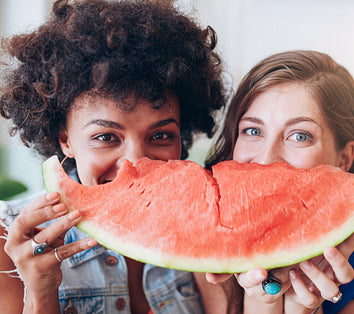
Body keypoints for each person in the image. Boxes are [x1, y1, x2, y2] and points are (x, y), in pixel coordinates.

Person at [0, 0, 228, 313]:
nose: (134, 165)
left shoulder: (203, 227)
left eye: (160, 136)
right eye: (106, 137)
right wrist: (40, 293)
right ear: (65, 140)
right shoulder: (8, 238)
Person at [203, 50, 354, 313]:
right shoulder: (207, 216)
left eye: (300, 136)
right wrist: (262, 303)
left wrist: (304, 310)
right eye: (253, 131)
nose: (265, 160)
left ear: (344, 157)